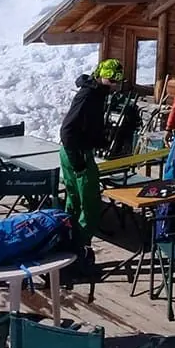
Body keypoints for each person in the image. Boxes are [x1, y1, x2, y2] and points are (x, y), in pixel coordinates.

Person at [60, 58, 128, 239]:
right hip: (76, 152)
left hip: (76, 149)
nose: (115, 85)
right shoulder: (88, 95)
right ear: (101, 76)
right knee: (88, 203)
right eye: (112, 80)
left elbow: (87, 125)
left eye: (118, 81)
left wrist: (100, 140)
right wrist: (77, 161)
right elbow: (67, 129)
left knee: (74, 199)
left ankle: (68, 238)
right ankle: (81, 244)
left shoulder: (97, 93)